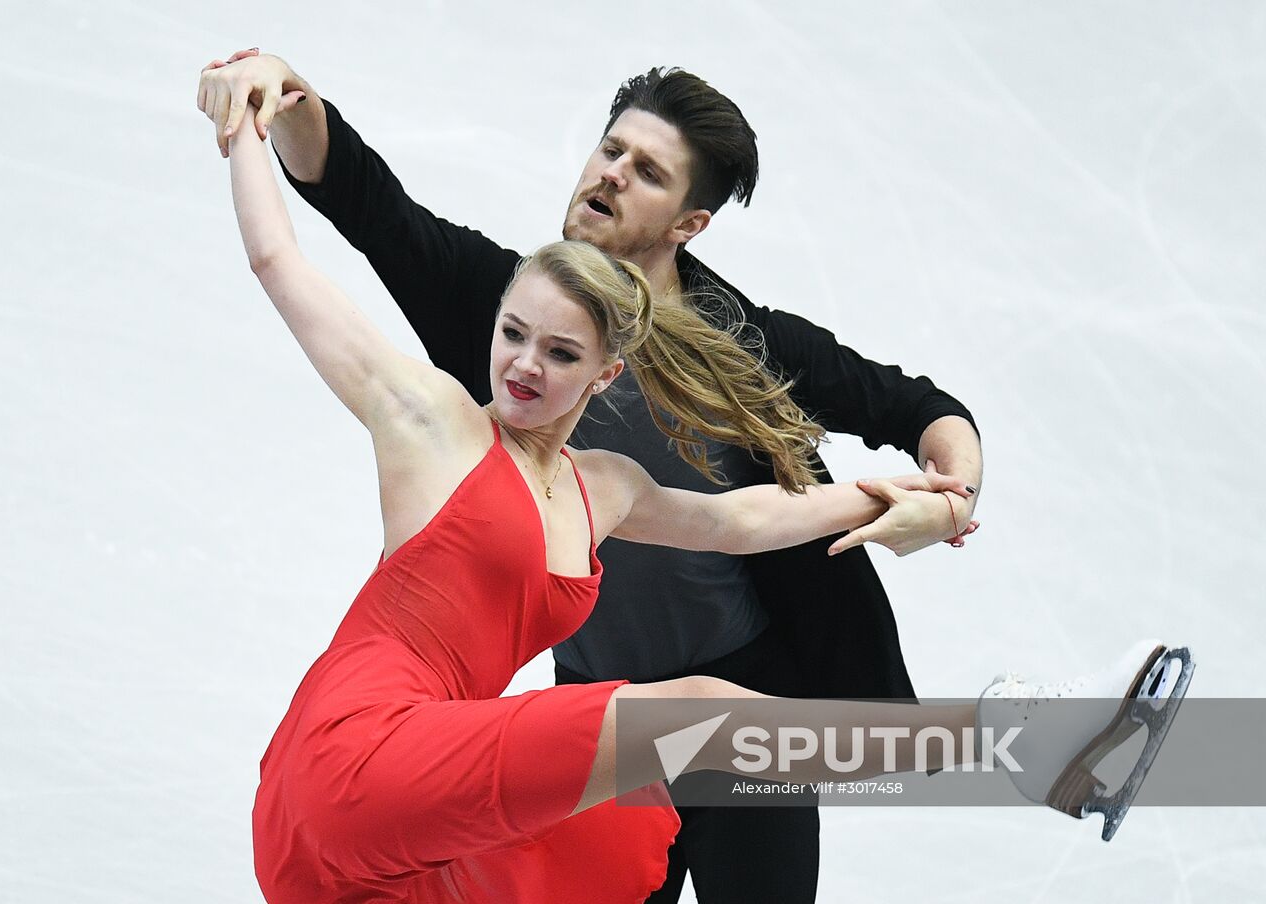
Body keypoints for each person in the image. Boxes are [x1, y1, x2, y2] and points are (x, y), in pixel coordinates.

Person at [209, 102, 1192, 904]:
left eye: (557, 352)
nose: (519, 363)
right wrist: (254, 110)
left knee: (680, 754)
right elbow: (293, 255)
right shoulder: (434, 419)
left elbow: (743, 518)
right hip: (367, 746)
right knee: (694, 717)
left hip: (417, 818)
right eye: (510, 336)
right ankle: (1032, 741)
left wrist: (916, 495)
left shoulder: (612, 480)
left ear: (604, 376)